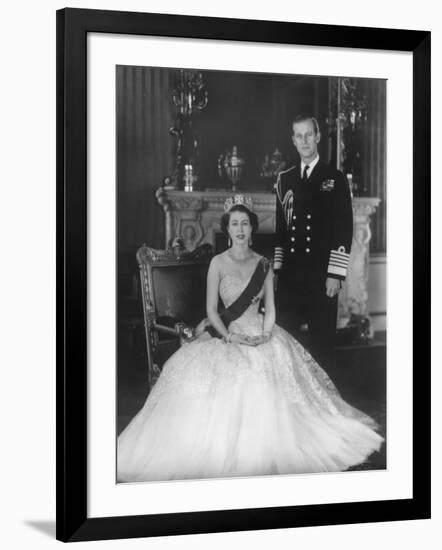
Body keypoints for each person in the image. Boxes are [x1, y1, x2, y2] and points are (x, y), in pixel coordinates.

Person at [117, 195, 382, 483]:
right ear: (227, 228)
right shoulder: (217, 263)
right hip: (226, 332)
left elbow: (271, 308)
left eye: (245, 223)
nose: (240, 229)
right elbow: (210, 310)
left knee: (269, 366)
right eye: (234, 224)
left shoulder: (263, 264)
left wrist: (267, 334)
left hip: (259, 330)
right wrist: (231, 336)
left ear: (252, 228)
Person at [274, 115, 353, 370]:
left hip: (321, 275)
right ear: (293, 141)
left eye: (309, 134)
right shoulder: (284, 179)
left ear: (317, 137)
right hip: (290, 276)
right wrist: (277, 270)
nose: (304, 140)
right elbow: (281, 229)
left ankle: (323, 401)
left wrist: (336, 273)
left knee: (321, 344)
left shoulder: (335, 178)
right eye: (299, 135)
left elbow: (343, 228)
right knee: (286, 341)